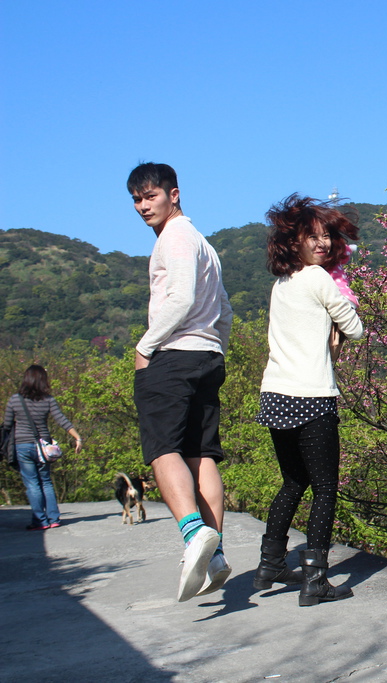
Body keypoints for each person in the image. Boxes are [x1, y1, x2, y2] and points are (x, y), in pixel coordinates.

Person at [127, 162, 234, 603]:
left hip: (173, 357)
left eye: (150, 196)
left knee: (161, 449)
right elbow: (224, 308)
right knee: (200, 453)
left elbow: (182, 296)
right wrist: (218, 348)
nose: (142, 206)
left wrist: (145, 346)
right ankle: (215, 552)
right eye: (136, 199)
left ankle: (193, 535)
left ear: (174, 194)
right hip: (208, 357)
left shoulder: (174, 238)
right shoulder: (205, 244)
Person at [253, 193, 363, 607]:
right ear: (293, 240)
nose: (321, 244)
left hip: (276, 394)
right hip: (312, 395)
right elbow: (355, 329)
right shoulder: (318, 278)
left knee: (293, 482)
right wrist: (342, 319)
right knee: (325, 489)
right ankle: (315, 581)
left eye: (326, 237)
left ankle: (271, 562)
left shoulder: (282, 282)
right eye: (312, 236)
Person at [3, 365, 83, 530]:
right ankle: (54, 518)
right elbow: (61, 419)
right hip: (44, 447)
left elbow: (7, 425)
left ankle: (40, 520)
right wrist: (77, 437)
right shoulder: (48, 400)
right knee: (46, 482)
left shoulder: (14, 400)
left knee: (32, 483)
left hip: (22, 445)